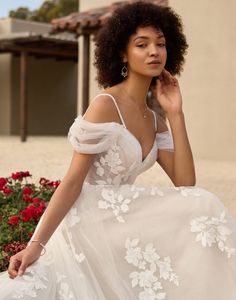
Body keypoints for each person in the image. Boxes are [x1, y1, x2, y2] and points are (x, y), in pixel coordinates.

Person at [0, 1, 236, 299]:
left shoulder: (155, 117)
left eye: (160, 44)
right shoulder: (104, 106)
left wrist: (176, 113)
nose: (154, 51)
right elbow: (72, 183)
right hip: (89, 220)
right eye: (142, 44)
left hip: (120, 222)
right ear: (122, 52)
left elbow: (186, 184)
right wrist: (36, 245)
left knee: (203, 204)